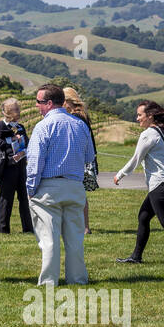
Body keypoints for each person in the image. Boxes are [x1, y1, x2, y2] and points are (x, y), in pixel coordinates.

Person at [26, 83, 95, 286]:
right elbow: (89, 156)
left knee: (49, 238)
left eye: (39, 102)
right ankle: (77, 279)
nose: (37, 106)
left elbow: (35, 163)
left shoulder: (43, 126)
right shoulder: (80, 125)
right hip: (74, 186)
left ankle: (48, 281)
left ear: (48, 103)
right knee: (75, 239)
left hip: (49, 186)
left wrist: (31, 189)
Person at [114, 101, 164, 266]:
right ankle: (136, 257)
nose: (137, 118)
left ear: (150, 116)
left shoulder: (148, 134)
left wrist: (120, 174)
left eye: (140, 115)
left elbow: (136, 158)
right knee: (143, 217)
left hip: (159, 186)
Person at [0, 97, 33, 234]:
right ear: (8, 112)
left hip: (21, 165)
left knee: (24, 198)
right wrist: (12, 140)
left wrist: (23, 151)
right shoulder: (1, 126)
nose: (18, 112)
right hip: (7, 166)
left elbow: (27, 143)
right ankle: (3, 229)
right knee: (6, 198)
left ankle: (28, 228)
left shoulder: (20, 127)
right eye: (15, 109)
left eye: (17, 109)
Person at [62, 87, 97, 234]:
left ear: (68, 101)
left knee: (76, 194)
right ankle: (83, 226)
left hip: (78, 160)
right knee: (79, 194)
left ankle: (83, 226)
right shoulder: (82, 115)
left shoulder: (75, 117)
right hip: (84, 158)